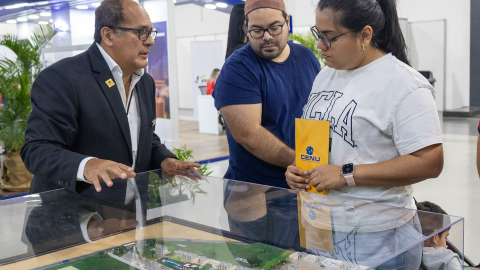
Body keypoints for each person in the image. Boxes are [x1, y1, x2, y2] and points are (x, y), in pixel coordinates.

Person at [285, 0, 443, 267]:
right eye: (318, 34)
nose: (320, 45)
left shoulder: (404, 85)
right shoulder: (325, 76)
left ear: (365, 35)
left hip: (377, 235)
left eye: (329, 37)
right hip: (320, 222)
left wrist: (346, 174)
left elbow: (429, 162)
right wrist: (300, 170)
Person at [21, 0, 199, 194]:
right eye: (141, 32)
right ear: (108, 35)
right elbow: (37, 149)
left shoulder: (145, 82)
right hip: (73, 214)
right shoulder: (62, 78)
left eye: (150, 32)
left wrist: (164, 159)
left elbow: (140, 136)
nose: (150, 41)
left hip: (129, 213)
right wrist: (87, 165)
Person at [213, 0, 321, 188]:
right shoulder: (237, 68)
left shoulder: (307, 57)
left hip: (306, 183)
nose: (267, 37)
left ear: (287, 22)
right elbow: (249, 134)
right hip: (255, 188)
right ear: (246, 28)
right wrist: (303, 163)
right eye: (257, 30)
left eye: (274, 28)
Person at [416, 201, 462, 270]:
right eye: (445, 237)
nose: (446, 245)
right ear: (434, 237)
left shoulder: (402, 257)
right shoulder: (448, 260)